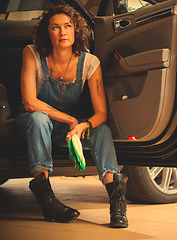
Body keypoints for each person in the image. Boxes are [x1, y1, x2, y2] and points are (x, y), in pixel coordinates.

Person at [16, 4, 128, 228]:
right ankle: (47, 201)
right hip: (33, 124)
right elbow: (30, 102)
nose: (63, 32)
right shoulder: (32, 53)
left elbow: (101, 114)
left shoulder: (89, 62)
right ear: (47, 32)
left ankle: (117, 203)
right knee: (39, 118)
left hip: (69, 129)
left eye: (68, 26)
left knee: (101, 130)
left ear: (76, 30)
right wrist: (69, 120)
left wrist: (81, 126)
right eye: (55, 27)